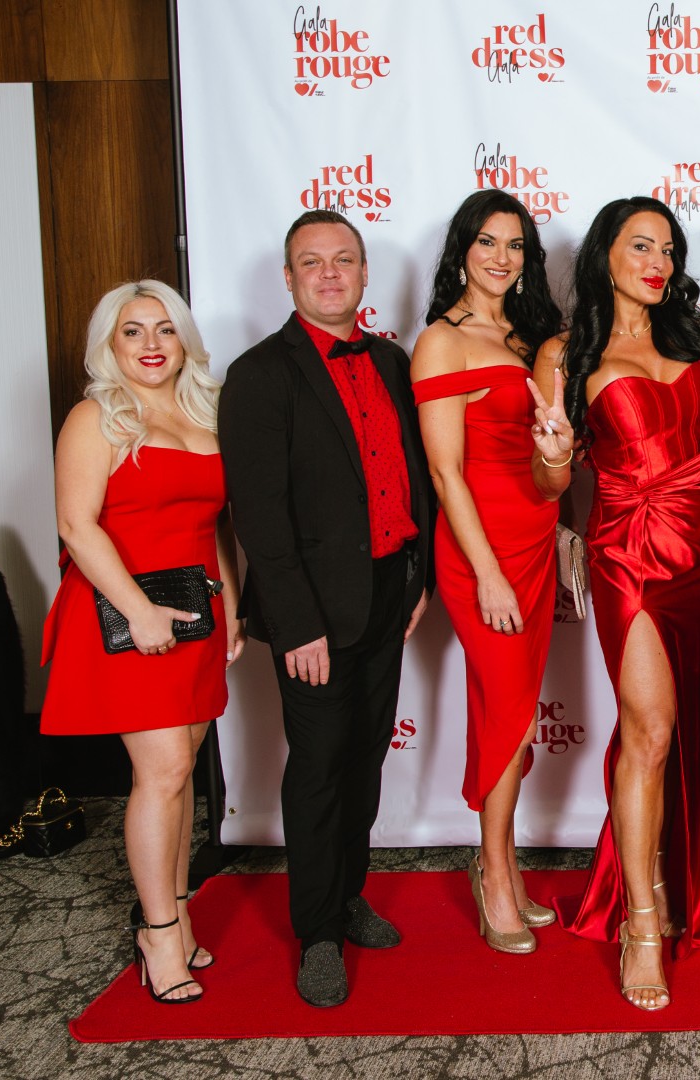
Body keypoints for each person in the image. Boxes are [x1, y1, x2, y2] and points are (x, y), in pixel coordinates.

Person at [220, 210, 434, 1007]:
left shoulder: (391, 360)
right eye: (312, 262)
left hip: (387, 593)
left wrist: (419, 580)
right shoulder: (258, 375)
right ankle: (316, 933)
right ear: (289, 279)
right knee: (317, 769)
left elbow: (417, 479)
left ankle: (347, 896)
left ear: (364, 272)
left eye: (344, 259)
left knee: (364, 759)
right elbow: (260, 518)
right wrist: (297, 625)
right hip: (312, 611)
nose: (330, 273)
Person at [548, 196, 700, 1011]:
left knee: (686, 724)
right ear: (605, 254)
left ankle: (672, 878)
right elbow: (550, 480)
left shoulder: (692, 334)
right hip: (628, 555)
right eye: (640, 246)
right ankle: (641, 922)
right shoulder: (569, 351)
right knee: (651, 730)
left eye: (667, 249)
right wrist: (552, 456)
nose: (657, 262)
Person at [41, 281, 244, 1003]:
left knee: (181, 770)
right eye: (133, 331)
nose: (152, 344)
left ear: (184, 340)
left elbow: (217, 525)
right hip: (124, 614)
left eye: (165, 328)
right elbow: (76, 525)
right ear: (110, 344)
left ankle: (177, 916)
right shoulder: (96, 416)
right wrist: (140, 611)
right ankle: (157, 933)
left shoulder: (205, 411)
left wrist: (232, 606)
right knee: (162, 771)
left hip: (196, 611)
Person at [410, 190, 567, 954]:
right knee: (508, 716)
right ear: (462, 251)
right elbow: (445, 473)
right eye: (487, 242)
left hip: (536, 539)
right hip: (484, 552)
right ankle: (495, 876)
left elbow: (551, 456)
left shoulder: (531, 336)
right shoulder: (442, 341)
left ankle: (501, 864)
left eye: (515, 245)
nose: (501, 258)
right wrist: (488, 575)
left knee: (511, 713)